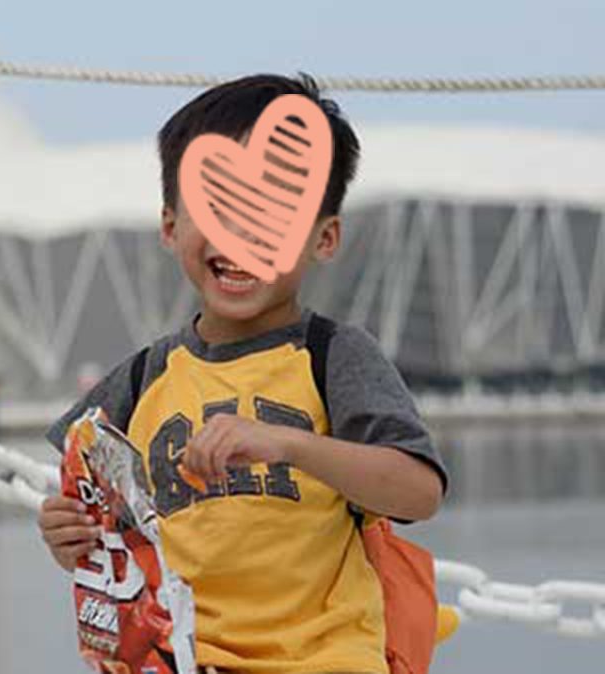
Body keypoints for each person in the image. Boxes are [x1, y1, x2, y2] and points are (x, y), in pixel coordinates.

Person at [37, 74, 447, 674]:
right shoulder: (143, 377)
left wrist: (288, 443)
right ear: (171, 225)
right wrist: (66, 536)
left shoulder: (332, 355)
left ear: (324, 237)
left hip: (326, 659)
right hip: (186, 659)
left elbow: (419, 492)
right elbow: (96, 518)